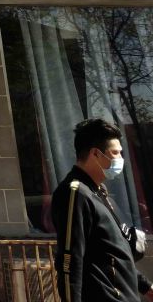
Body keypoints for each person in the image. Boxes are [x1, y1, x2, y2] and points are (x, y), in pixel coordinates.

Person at [52, 118, 153, 302]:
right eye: (115, 152)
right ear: (95, 154)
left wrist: (145, 287)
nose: (120, 159)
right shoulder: (75, 193)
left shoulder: (98, 192)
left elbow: (112, 252)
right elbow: (70, 261)